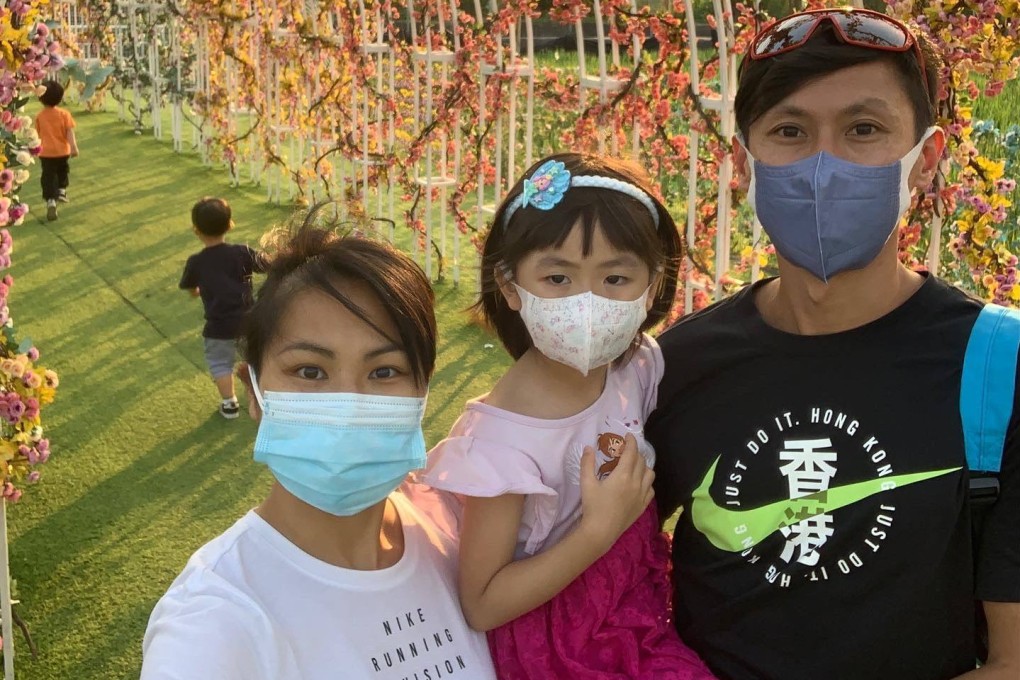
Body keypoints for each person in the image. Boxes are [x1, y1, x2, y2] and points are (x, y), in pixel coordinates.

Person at [647, 8, 1020, 680]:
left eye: (864, 130)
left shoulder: (997, 368)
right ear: (744, 162)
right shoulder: (675, 367)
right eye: (790, 131)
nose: (823, 166)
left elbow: (1011, 662)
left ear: (925, 161)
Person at [142, 218, 497, 679]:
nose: (349, 404)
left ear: (423, 391)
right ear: (254, 392)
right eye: (309, 371)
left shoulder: (451, 535)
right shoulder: (215, 622)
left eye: (385, 371)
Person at [417, 153, 714, 679]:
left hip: (635, 593)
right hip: (562, 642)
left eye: (616, 278)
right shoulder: (499, 446)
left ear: (652, 284)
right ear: (510, 286)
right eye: (558, 278)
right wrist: (598, 531)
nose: (588, 302)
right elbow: (482, 603)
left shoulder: (637, 366)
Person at [179, 197, 262, 419]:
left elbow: (190, 286)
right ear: (230, 224)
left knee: (220, 364)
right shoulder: (242, 252)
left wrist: (196, 292)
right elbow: (265, 264)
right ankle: (262, 397)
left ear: (196, 230)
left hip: (218, 327)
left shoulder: (196, 262)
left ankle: (229, 404)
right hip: (249, 322)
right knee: (256, 359)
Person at [34, 80, 78, 221]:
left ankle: (50, 200)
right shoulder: (64, 114)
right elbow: (69, 132)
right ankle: (62, 191)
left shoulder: (40, 116)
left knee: (48, 176)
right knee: (62, 171)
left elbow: (38, 134)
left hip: (46, 152)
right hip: (62, 152)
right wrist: (73, 147)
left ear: (41, 98)